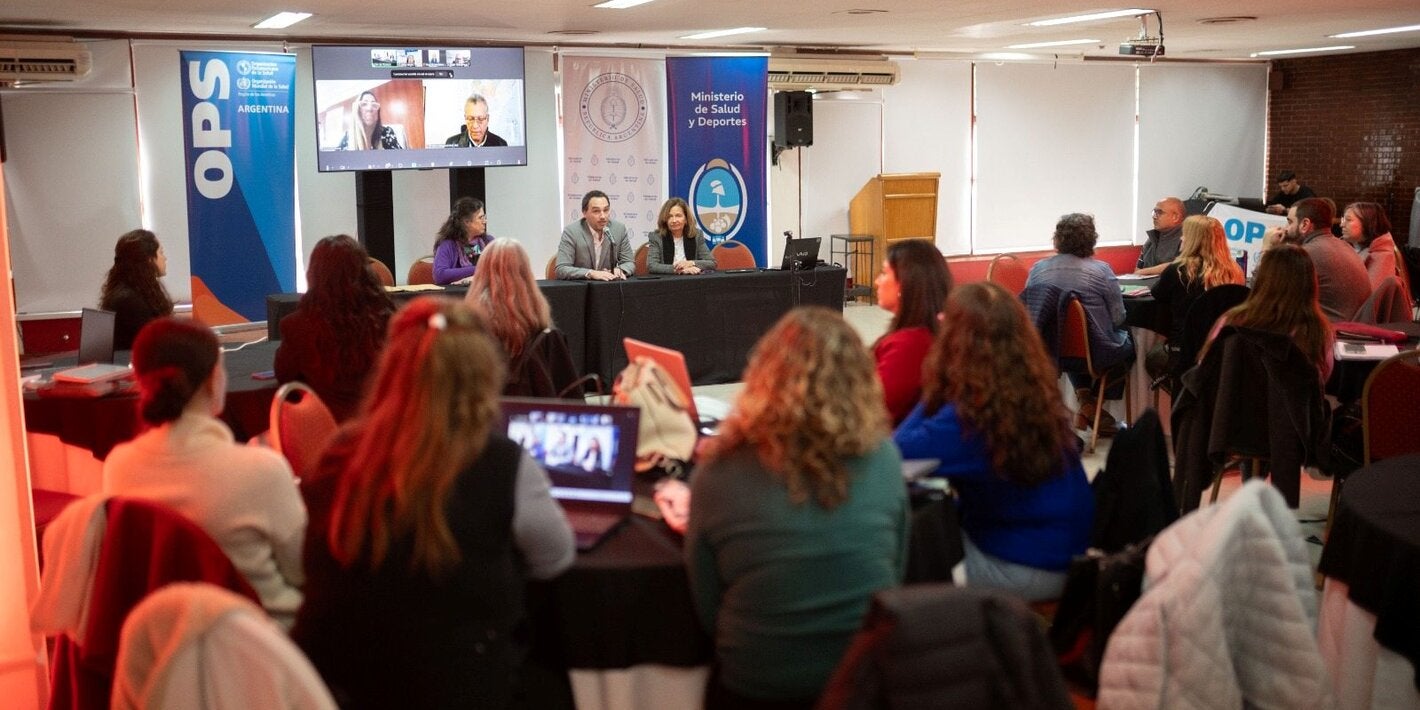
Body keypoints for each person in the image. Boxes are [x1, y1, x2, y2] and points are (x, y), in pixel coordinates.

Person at [292, 298, 574, 708]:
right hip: (466, 686)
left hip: (340, 684)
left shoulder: (338, 454)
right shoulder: (503, 464)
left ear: (392, 368)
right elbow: (556, 558)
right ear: (483, 377)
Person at [687, 307, 908, 708]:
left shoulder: (717, 473)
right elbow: (894, 569)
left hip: (754, 686)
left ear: (763, 375)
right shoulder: (886, 461)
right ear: (860, 380)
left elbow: (707, 609)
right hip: (862, 685)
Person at [895, 282, 1093, 601]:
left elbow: (899, 452)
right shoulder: (1032, 392)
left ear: (955, 342)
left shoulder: (969, 415)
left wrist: (940, 380)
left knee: (907, 547)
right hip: (1065, 552)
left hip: (1024, 566)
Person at [102, 318, 306, 627]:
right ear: (214, 380)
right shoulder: (260, 470)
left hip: (166, 645)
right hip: (267, 644)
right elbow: (303, 569)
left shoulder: (118, 467)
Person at [1022, 213, 1134, 435]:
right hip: (1094, 352)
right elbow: (1118, 316)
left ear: (1057, 240)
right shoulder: (1102, 271)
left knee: (1071, 341)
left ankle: (1085, 403)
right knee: (1127, 344)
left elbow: (1030, 308)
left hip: (1050, 350)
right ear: (1092, 240)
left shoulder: (1037, 269)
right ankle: (1092, 409)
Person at [274, 235, 394, 422]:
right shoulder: (390, 319)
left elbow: (286, 379)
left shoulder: (297, 326)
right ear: (365, 273)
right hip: (389, 429)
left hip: (331, 434)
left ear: (314, 275)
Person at [465, 238, 580, 398]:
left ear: (479, 275)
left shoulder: (463, 337)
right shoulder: (547, 340)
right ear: (526, 276)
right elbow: (572, 403)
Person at [1206, 243, 1334, 383]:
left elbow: (1205, 368)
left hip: (1232, 401)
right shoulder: (1318, 331)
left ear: (1263, 280)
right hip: (1291, 403)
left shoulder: (1232, 321)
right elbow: (1321, 379)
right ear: (1309, 283)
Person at [870, 239, 954, 425]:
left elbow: (872, 406)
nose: (877, 282)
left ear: (905, 283)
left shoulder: (910, 345)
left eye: (884, 273)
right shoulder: (922, 334)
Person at [1147, 215, 1245, 368]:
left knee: (1151, 358)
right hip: (1224, 352)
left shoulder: (1177, 270)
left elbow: (1157, 294)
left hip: (1184, 349)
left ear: (1193, 240)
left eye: (1185, 234)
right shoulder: (1235, 271)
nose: (1181, 238)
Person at [1264, 197, 1370, 321]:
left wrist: (1267, 247)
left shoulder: (1306, 254)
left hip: (1327, 334)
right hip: (1352, 331)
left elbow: (1264, 296)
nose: (1286, 228)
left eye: (1290, 222)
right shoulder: (1345, 246)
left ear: (1305, 224)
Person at [99, 229, 174, 350]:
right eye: (161, 253)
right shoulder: (129, 301)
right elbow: (156, 344)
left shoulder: (132, 291)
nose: (165, 258)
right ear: (149, 259)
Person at [555, 190, 634, 281]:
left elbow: (629, 262)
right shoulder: (572, 232)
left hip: (608, 288)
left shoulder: (618, 229)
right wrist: (591, 273)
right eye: (596, 211)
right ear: (584, 213)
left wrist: (619, 270)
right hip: (582, 289)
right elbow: (561, 268)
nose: (603, 216)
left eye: (606, 210)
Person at [432, 197, 495, 285]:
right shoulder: (448, 244)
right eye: (480, 218)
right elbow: (440, 275)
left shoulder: (488, 241)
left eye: (484, 217)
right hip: (457, 296)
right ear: (467, 222)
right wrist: (480, 269)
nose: (485, 221)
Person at [1341, 201, 1402, 290]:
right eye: (1343, 220)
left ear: (1368, 223)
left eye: (1348, 220)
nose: (1342, 224)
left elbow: (1372, 297)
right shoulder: (1354, 247)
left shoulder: (1382, 256)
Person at [647, 197, 714, 275]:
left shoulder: (696, 235)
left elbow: (711, 263)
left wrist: (691, 263)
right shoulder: (656, 237)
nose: (674, 220)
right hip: (667, 282)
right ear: (665, 220)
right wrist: (680, 270)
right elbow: (652, 266)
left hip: (692, 281)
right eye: (670, 216)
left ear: (686, 219)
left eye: (678, 216)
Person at [1134, 196, 1185, 276]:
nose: (1154, 217)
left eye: (1159, 213)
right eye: (1154, 212)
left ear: (1175, 217)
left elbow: (1182, 265)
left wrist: (1145, 271)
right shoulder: (1151, 238)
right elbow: (1138, 270)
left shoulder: (1186, 238)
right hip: (1147, 286)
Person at [336, 91, 402, 150]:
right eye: (364, 104)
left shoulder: (387, 132)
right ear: (357, 111)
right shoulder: (348, 136)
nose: (370, 108)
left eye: (374, 105)